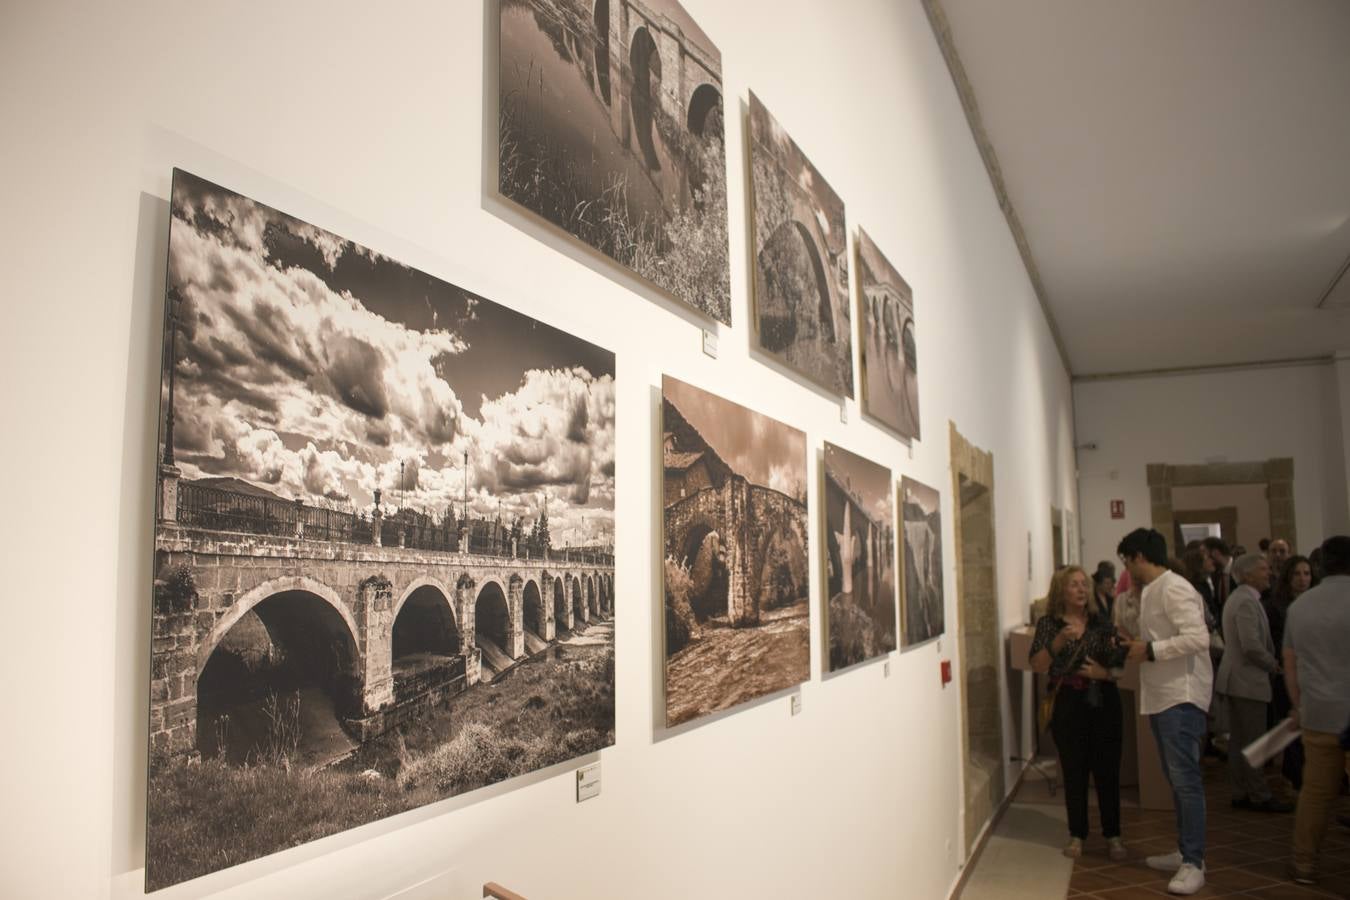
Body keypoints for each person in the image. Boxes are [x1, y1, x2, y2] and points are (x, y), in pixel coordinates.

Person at [1119, 528, 1212, 895]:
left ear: (1139, 556)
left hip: (1181, 696)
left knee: (1186, 780)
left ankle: (1194, 861)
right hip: (1163, 694)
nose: (1127, 569)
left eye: (1127, 561)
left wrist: (1152, 650)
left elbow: (1197, 638)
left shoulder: (1173, 587)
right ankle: (1185, 850)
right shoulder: (1152, 591)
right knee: (1176, 780)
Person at [1029, 566, 1129, 861]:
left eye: (1084, 584)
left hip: (1103, 700)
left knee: (1107, 770)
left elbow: (1120, 665)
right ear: (1061, 590)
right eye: (1074, 585)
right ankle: (1077, 834)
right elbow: (1036, 663)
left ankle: (1113, 835)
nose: (1082, 590)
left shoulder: (1101, 622)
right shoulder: (1049, 624)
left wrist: (1105, 672)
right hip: (1069, 701)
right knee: (1073, 770)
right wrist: (1059, 641)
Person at [1284, 536, 1350, 885]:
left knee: (1315, 793)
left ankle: (1304, 863)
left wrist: (1298, 704)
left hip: (1319, 712)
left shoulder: (1300, 607)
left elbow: (1290, 665)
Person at [1216, 554, 1292, 812]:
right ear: (1247, 575)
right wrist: (1274, 664)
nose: (1268, 573)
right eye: (1263, 569)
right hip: (1246, 680)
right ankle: (1258, 794)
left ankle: (1241, 791)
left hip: (1237, 679)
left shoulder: (1241, 598)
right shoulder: (1246, 601)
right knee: (1254, 742)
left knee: (1240, 741)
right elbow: (1251, 646)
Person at [1266, 555, 1312, 788]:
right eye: (1297, 574)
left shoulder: (1316, 603)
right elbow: (1276, 642)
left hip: (1311, 671)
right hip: (1287, 671)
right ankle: (1296, 777)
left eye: (1306, 573)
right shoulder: (1277, 605)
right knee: (1290, 724)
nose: (1302, 579)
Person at [1203, 536, 1236, 614]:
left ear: (1216, 553)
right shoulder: (1215, 573)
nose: (1203, 558)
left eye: (1205, 554)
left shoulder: (1239, 569)